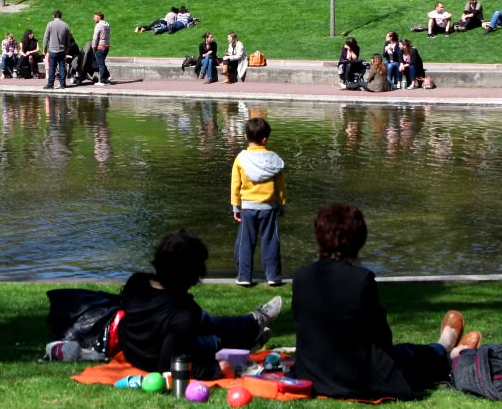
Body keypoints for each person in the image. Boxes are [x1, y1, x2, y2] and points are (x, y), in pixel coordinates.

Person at [292, 203, 481, 401]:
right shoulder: (360, 279)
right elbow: (382, 336)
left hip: (312, 373)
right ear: (358, 240)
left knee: (403, 354)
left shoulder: (301, 276)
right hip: (355, 378)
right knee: (408, 355)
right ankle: (447, 350)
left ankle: (444, 351)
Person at [116, 230, 282, 380]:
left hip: (134, 351)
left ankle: (253, 323)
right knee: (214, 339)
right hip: (150, 359)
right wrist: (216, 369)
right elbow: (168, 367)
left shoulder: (137, 282)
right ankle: (251, 331)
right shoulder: (184, 312)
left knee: (204, 321)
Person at [231, 117, 287, 286]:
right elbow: (280, 187)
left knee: (246, 242)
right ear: (265, 139)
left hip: (248, 207)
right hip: (269, 207)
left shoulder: (241, 159)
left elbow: (235, 184)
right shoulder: (274, 160)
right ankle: (273, 276)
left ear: (246, 137)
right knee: (270, 241)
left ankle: (244, 276)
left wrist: (236, 207)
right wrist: (282, 204)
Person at [43, 10, 74, 90]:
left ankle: (50, 84)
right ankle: (62, 83)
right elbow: (68, 40)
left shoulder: (50, 24)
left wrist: (44, 48)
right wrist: (67, 50)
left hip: (52, 50)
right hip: (62, 50)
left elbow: (46, 37)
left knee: (52, 67)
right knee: (62, 67)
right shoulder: (65, 25)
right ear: (61, 16)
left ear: (54, 16)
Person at [91, 12, 112, 86]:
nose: (94, 18)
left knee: (100, 64)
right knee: (102, 63)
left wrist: (93, 46)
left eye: (95, 17)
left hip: (100, 47)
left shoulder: (98, 26)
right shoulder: (107, 25)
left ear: (99, 17)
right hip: (106, 46)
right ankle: (107, 77)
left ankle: (102, 80)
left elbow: (95, 37)